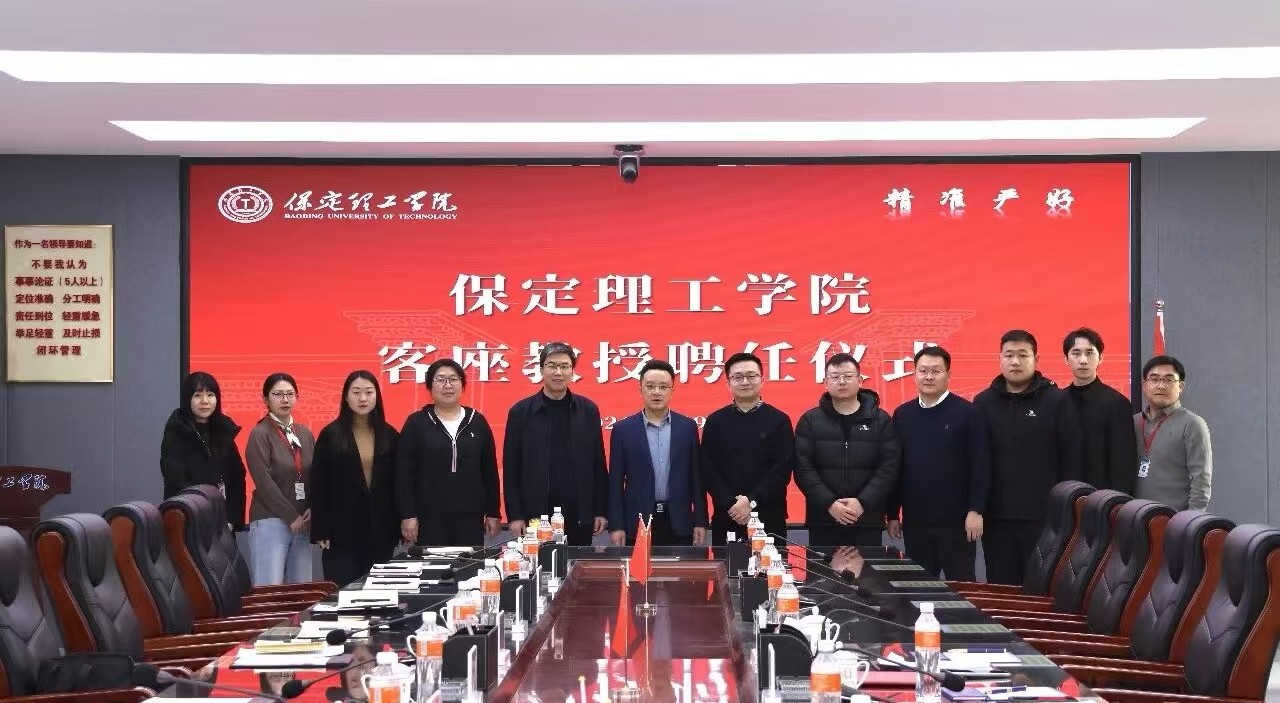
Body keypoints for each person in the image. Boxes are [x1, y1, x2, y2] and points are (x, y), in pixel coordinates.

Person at [973, 330, 1083, 585]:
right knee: (1002, 588)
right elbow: (977, 460)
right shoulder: (983, 402)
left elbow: (1072, 458)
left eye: (1023, 355)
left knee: (1042, 588)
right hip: (997, 520)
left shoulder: (1057, 401)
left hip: (1045, 518)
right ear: (1000, 359)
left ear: (1036, 359)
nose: (1015, 362)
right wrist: (976, 507)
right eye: (1009, 355)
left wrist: (1068, 511)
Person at [886, 346, 990, 580]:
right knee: (919, 587)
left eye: (936, 371)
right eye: (923, 371)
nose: (929, 376)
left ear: (948, 375)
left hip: (957, 523)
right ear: (914, 374)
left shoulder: (968, 413)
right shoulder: (903, 415)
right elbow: (896, 467)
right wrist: (892, 513)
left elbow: (981, 465)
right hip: (916, 522)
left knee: (961, 588)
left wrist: (976, 510)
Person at [504, 342, 608, 545]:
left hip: (579, 513)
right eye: (552, 366)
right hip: (536, 515)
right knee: (536, 564)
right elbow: (511, 468)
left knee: (577, 563)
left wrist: (600, 510)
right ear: (541, 370)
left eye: (565, 366)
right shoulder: (521, 412)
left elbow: (598, 464)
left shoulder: (588, 410)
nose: (558, 372)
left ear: (572, 371)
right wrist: (515, 515)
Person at [794, 353, 899, 547]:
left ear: (860, 380)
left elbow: (889, 467)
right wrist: (829, 503)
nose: (841, 382)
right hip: (823, 520)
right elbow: (803, 468)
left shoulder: (880, 420)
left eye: (848, 376)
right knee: (823, 568)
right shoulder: (810, 421)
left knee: (868, 568)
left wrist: (862, 502)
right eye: (835, 377)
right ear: (826, 382)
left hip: (867, 520)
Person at [308, 370, 400, 587]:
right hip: (342, 531)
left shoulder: (390, 435)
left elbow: (398, 483)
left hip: (381, 529)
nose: (363, 398)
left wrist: (401, 523)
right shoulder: (330, 435)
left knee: (379, 593)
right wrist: (321, 528)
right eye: (356, 392)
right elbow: (319, 484)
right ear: (346, 397)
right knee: (344, 591)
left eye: (369, 392)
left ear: (377, 396)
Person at [397, 359, 502, 546]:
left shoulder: (477, 422)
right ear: (430, 386)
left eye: (454, 379)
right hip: (429, 517)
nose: (448, 385)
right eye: (440, 379)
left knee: (470, 563)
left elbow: (489, 470)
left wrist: (493, 512)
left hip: (470, 517)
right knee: (432, 564)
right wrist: (408, 514)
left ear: (462, 384)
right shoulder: (417, 423)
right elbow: (404, 474)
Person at [607, 360, 707, 546]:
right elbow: (615, 482)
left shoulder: (687, 427)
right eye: (650, 386)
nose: (656, 392)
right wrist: (616, 525)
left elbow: (696, 477)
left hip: (679, 521)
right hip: (637, 522)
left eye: (663, 386)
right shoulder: (623, 430)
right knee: (639, 567)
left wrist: (700, 520)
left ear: (672, 390)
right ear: (641, 389)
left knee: (680, 567)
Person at [699, 352, 794, 545]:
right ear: (728, 383)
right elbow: (708, 469)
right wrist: (730, 503)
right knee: (727, 564)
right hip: (728, 515)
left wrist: (751, 501)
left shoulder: (779, 420)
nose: (745, 382)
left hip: (768, 517)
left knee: (770, 564)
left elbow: (781, 471)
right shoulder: (715, 421)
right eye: (738, 377)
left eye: (751, 376)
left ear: (762, 380)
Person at [245, 372, 316, 586]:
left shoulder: (304, 433)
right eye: (278, 394)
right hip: (271, 520)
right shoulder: (260, 433)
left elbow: (316, 474)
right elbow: (263, 481)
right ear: (265, 399)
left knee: (301, 593)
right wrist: (290, 516)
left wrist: (312, 506)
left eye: (290, 394)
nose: (285, 400)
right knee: (270, 591)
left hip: (303, 522)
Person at [160, 371, 248, 531]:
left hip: (222, 520)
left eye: (210, 395)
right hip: (187, 519)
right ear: (187, 399)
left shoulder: (223, 429)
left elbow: (237, 477)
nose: (205, 401)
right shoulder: (177, 431)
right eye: (198, 395)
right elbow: (176, 479)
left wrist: (231, 519)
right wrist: (201, 514)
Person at [1062, 328, 1138, 493]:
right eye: (1076, 353)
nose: (1083, 360)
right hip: (1063, 496)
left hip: (1102, 500)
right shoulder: (1057, 402)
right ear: (1066, 359)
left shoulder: (1117, 403)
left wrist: (1117, 502)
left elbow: (1123, 462)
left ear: (1101, 358)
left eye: (1090, 353)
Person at [1134, 356, 1212, 511]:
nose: (1161, 385)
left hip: (1173, 518)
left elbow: (1201, 480)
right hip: (1133, 515)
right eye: (1154, 379)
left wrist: (1191, 520)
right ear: (1144, 385)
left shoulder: (1193, 424)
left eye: (1168, 380)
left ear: (1181, 386)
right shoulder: (1134, 422)